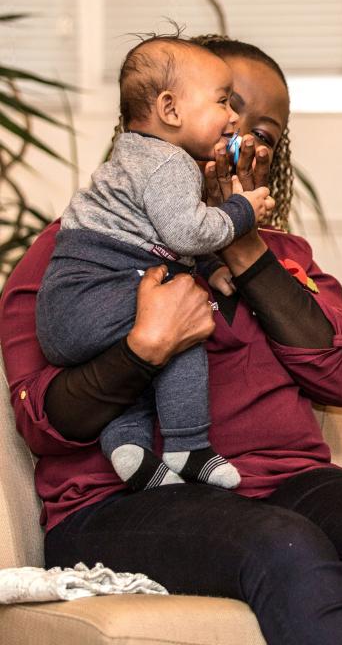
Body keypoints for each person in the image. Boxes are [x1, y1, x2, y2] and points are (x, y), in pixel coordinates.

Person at [0, 35, 342, 645]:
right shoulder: (78, 252)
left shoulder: (280, 255)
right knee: (284, 544)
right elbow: (43, 422)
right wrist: (142, 349)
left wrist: (241, 240)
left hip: (285, 485)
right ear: (173, 113)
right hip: (119, 503)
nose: (242, 139)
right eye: (228, 109)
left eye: (265, 133)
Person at [36, 37, 274, 492]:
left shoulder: (133, 155)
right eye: (223, 101)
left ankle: (130, 446)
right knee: (182, 323)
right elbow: (185, 233)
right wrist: (242, 211)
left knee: (141, 350)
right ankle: (188, 444)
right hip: (92, 295)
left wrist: (210, 270)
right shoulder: (170, 164)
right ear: (170, 108)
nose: (232, 117)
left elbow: (157, 243)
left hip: (74, 309)